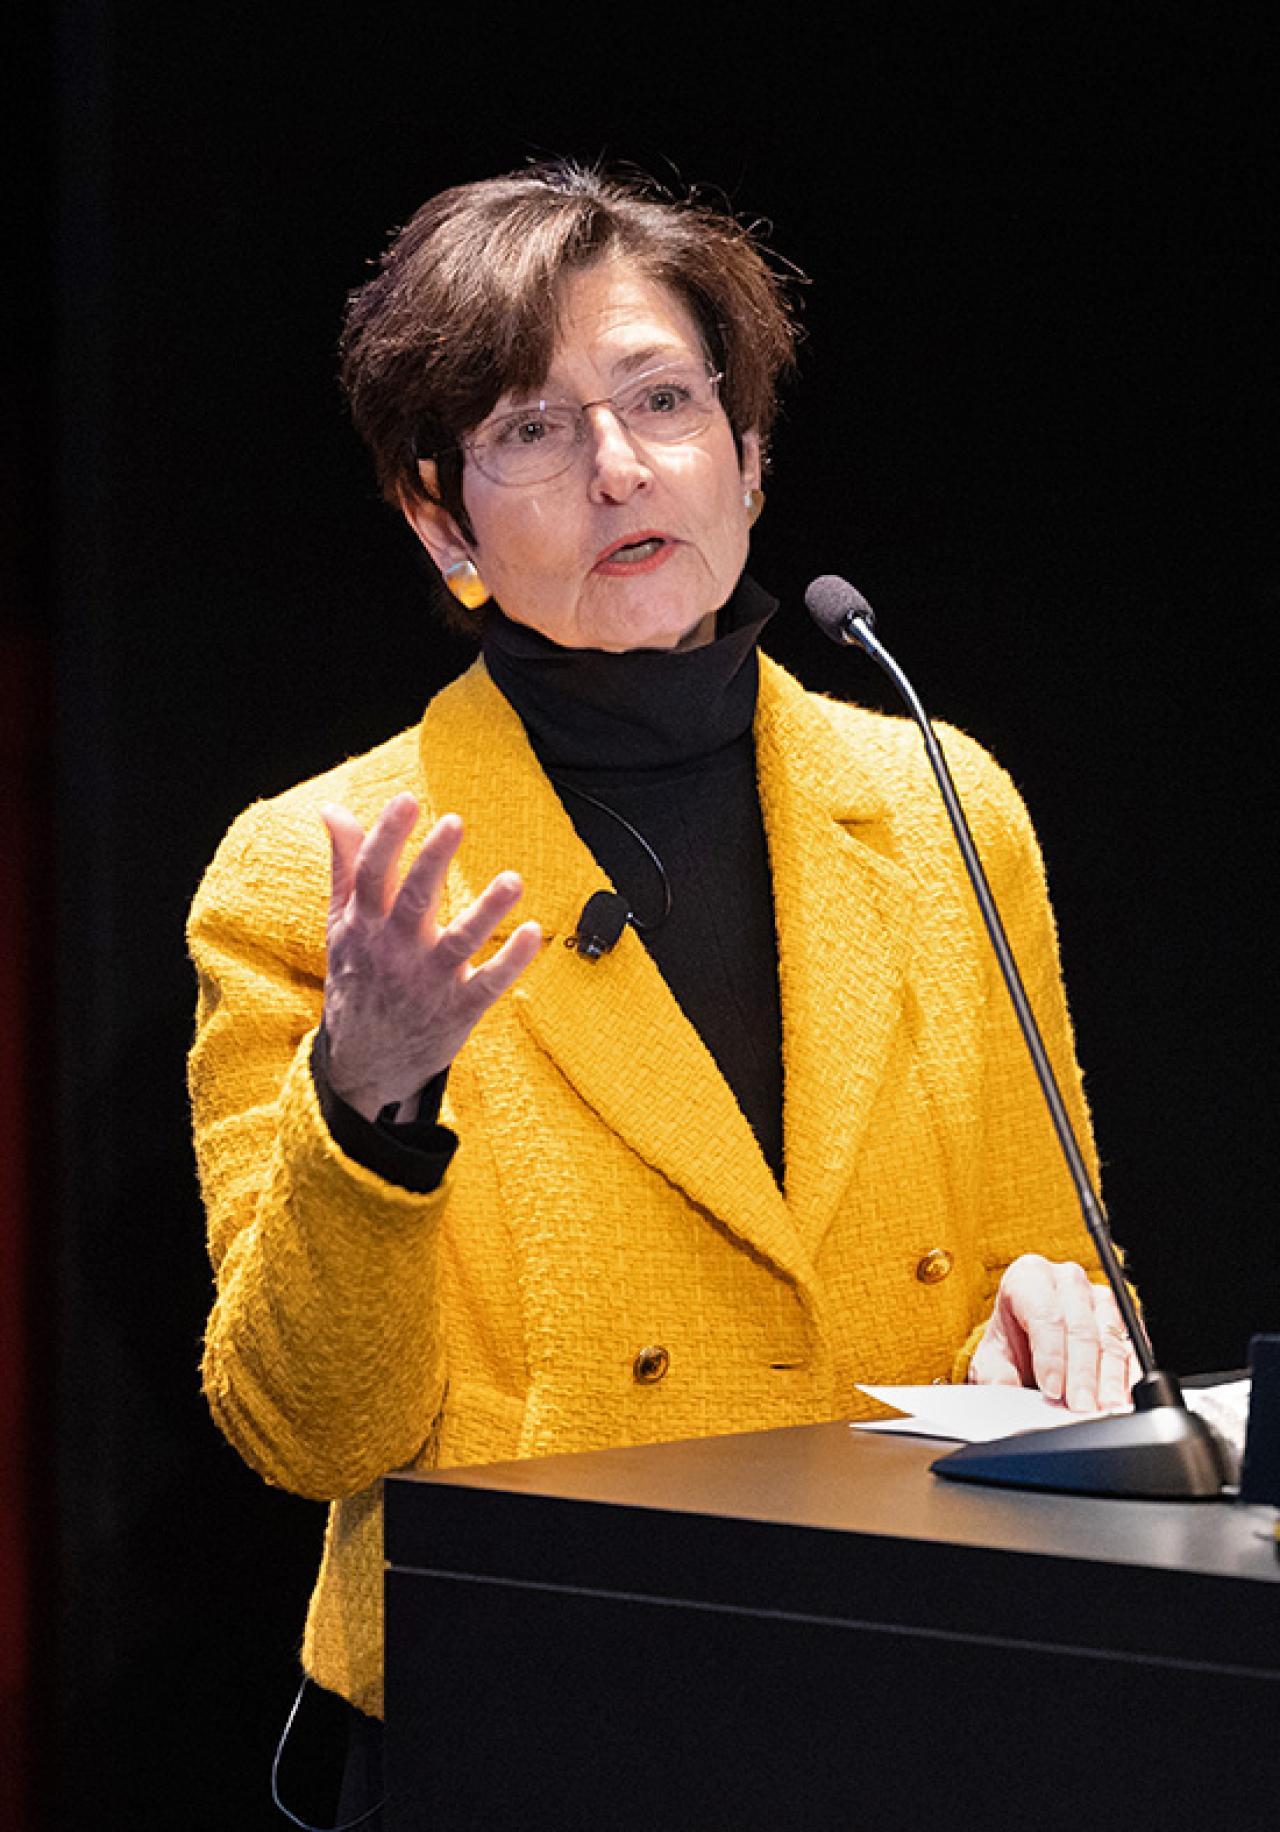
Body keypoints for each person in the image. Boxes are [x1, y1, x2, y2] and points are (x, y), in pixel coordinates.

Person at [187, 161, 1135, 1817]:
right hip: (540, 1719)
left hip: (919, 1692)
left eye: (665, 400)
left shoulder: (939, 800)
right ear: (439, 515)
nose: (621, 465)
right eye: (534, 429)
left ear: (749, 460)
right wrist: (371, 1095)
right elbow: (308, 1434)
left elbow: (1057, 1252)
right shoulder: (317, 869)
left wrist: (1065, 1312)